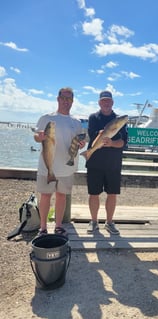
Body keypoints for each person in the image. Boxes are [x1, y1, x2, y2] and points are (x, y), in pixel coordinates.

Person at [34, 87, 85, 237]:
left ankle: (58, 225)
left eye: (68, 99)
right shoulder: (46, 118)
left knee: (62, 196)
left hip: (67, 167)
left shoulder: (76, 122)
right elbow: (36, 136)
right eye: (63, 98)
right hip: (47, 165)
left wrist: (82, 144)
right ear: (58, 99)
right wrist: (40, 137)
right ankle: (42, 227)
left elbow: (78, 141)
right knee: (45, 195)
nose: (65, 101)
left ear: (72, 101)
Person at [85, 91, 128, 235]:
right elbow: (91, 137)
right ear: (99, 102)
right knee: (93, 194)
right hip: (95, 163)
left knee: (112, 194)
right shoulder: (93, 117)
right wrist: (101, 135)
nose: (106, 103)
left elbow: (123, 142)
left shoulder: (118, 120)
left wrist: (111, 143)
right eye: (103, 101)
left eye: (108, 101)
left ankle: (109, 222)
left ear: (113, 102)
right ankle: (94, 222)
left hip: (113, 164)